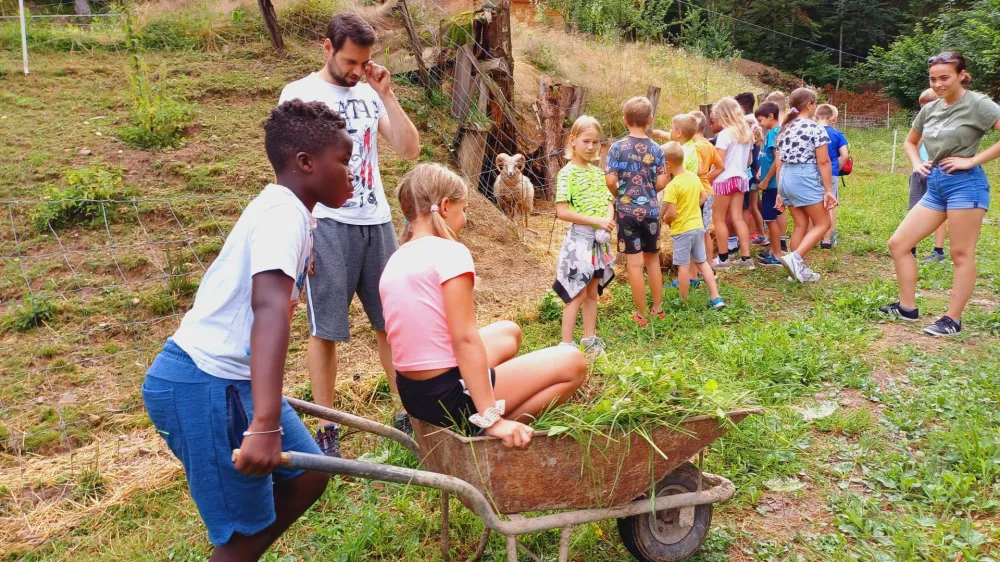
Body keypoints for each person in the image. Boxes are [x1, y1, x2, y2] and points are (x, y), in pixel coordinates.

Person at [142, 100, 354, 560]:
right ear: (305, 162)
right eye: (344, 161)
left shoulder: (293, 212)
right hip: (205, 382)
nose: (352, 174)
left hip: (229, 378)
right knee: (239, 535)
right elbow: (269, 306)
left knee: (309, 473)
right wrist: (262, 424)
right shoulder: (283, 215)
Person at [278, 13, 421, 456]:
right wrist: (303, 237)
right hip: (326, 225)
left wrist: (388, 95)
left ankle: (407, 415)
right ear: (327, 48)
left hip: (375, 222)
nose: (358, 70)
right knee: (326, 332)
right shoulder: (299, 94)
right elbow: (285, 172)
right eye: (350, 61)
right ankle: (327, 429)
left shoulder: (371, 93)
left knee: (390, 324)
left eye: (365, 61)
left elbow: (409, 150)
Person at [379, 163, 588, 445]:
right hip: (448, 398)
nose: (464, 219)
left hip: (414, 394)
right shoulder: (451, 253)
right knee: (573, 363)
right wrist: (491, 416)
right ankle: (488, 430)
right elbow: (464, 340)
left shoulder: (397, 258)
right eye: (463, 209)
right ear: (444, 206)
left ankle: (482, 411)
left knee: (509, 332)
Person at [880, 51, 1000, 336]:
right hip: (935, 185)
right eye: (933, 79)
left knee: (960, 253)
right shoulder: (930, 108)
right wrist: (916, 163)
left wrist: (972, 160)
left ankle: (952, 319)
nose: (938, 84)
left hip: (965, 184)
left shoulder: (978, 104)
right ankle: (907, 308)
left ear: (961, 75)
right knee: (899, 243)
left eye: (944, 77)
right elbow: (911, 142)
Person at [553, 116, 615, 354]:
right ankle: (565, 346)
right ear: (573, 141)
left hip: (599, 240)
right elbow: (562, 211)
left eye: (595, 142)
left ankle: (589, 339)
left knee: (592, 291)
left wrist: (608, 218)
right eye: (586, 141)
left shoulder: (598, 173)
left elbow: (609, 201)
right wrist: (596, 221)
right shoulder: (567, 174)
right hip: (580, 240)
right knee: (576, 291)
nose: (591, 147)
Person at [605, 96, 668, 327]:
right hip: (650, 210)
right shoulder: (657, 149)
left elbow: (610, 179)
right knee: (653, 260)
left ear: (625, 120)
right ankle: (658, 309)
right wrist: (650, 189)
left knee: (634, 264)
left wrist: (619, 193)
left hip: (626, 211)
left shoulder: (616, 148)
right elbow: (662, 181)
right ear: (650, 120)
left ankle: (641, 315)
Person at [775, 88, 837, 283]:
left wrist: (779, 191)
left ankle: (796, 270)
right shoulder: (815, 128)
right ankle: (795, 258)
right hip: (804, 177)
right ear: (809, 104)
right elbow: (824, 162)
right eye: (815, 103)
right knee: (823, 223)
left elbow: (779, 162)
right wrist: (828, 190)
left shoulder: (785, 128)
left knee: (801, 224)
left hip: (786, 177)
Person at [661, 142, 726, 309]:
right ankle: (715, 297)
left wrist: (666, 220)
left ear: (667, 164)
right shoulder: (693, 177)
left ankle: (683, 301)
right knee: (702, 262)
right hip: (698, 227)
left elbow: (672, 213)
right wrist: (692, 208)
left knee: (683, 266)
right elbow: (704, 197)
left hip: (682, 230)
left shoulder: (672, 186)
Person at [653, 113, 702, 287]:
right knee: (695, 249)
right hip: (692, 200)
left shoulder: (684, 154)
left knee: (686, 248)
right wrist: (658, 133)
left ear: (679, 132)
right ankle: (693, 277)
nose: (669, 131)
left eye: (671, 129)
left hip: (683, 203)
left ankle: (688, 279)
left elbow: (673, 179)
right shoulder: (687, 146)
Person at [707, 98, 755, 269]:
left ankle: (723, 258)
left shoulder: (725, 134)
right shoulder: (746, 133)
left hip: (724, 180)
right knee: (737, 217)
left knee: (718, 218)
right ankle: (746, 257)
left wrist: (707, 178)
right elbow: (748, 161)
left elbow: (719, 163)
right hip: (741, 179)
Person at [908, 88, 949, 264]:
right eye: (922, 107)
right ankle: (912, 246)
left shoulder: (948, 125)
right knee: (914, 210)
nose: (925, 111)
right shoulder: (920, 126)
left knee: (940, 212)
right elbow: (912, 146)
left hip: (940, 173)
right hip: (920, 173)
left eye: (929, 106)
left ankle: (938, 250)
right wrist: (916, 164)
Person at [753, 101, 786, 267]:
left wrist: (766, 180)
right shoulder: (773, 132)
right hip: (770, 183)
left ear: (771, 116)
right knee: (770, 219)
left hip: (771, 185)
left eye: (760, 120)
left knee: (770, 219)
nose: (759, 124)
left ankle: (777, 254)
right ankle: (773, 250)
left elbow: (777, 159)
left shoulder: (774, 133)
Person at [690, 110, 724, 263]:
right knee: (704, 232)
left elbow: (699, 170)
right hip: (708, 192)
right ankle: (708, 265)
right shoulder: (708, 145)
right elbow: (720, 167)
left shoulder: (696, 146)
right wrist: (707, 180)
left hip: (700, 194)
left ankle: (704, 267)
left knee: (699, 232)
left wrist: (702, 179)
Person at [814, 104, 850, 249]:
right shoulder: (837, 134)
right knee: (830, 204)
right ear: (832, 119)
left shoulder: (812, 132)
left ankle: (812, 235)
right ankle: (827, 239)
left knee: (814, 203)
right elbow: (845, 155)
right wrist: (836, 168)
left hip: (813, 172)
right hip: (831, 173)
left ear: (815, 117)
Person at [736, 92, 767, 247]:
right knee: (753, 206)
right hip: (755, 174)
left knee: (748, 207)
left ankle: (751, 233)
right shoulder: (755, 133)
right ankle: (761, 233)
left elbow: (752, 160)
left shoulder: (749, 134)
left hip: (751, 175)